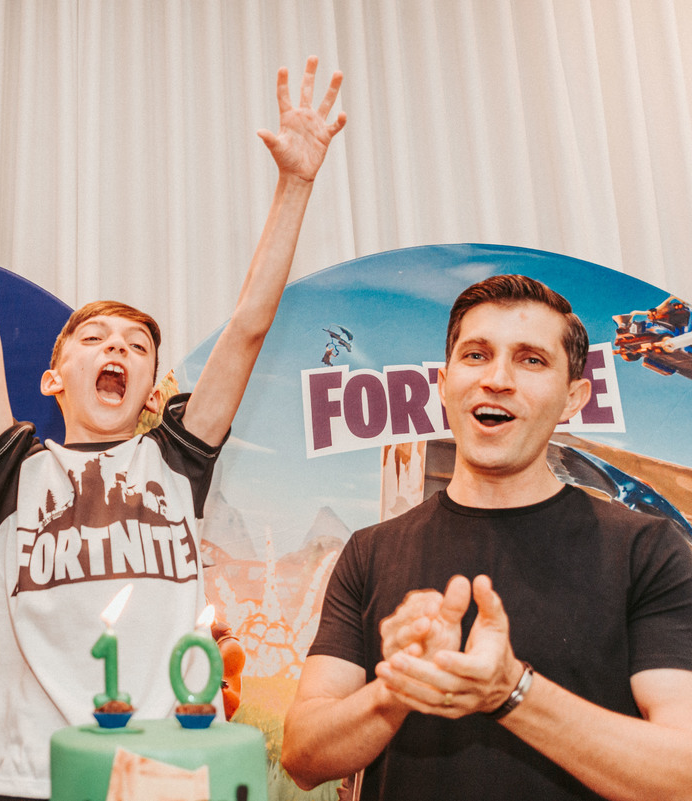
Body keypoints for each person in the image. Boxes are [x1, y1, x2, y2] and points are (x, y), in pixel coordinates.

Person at [0, 57, 345, 799]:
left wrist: (295, 183)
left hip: (163, 777)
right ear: (53, 377)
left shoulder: (176, 463)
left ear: (151, 390)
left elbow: (247, 328)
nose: (116, 351)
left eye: (136, 346)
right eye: (95, 338)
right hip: (34, 779)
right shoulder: (17, 472)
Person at [281, 274, 692, 799]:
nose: (497, 379)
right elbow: (302, 757)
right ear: (443, 384)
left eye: (531, 360)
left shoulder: (648, 552)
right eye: (476, 355)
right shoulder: (371, 551)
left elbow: (682, 776)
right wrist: (398, 687)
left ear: (573, 398)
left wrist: (511, 691)